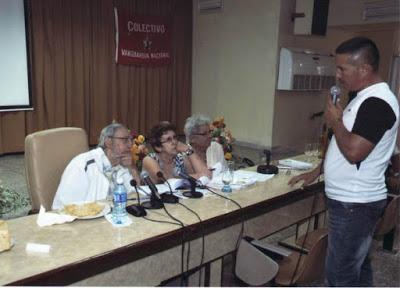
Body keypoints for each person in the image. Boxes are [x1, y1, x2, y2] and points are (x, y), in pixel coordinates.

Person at [288, 37, 399, 286]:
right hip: (352, 201)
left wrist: (335, 120)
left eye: (342, 69)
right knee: (357, 268)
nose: (337, 75)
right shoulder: (362, 98)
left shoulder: (377, 103)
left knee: (340, 275)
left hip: (355, 203)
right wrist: (318, 170)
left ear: (364, 69)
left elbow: (353, 152)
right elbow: (344, 147)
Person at [52, 123, 140, 210]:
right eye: (125, 140)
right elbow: (66, 206)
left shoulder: (122, 164)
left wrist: (132, 168)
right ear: (108, 142)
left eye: (130, 140)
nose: (130, 145)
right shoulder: (83, 164)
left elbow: (137, 195)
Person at [142, 121, 211, 184]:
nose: (174, 142)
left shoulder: (180, 159)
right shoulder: (149, 160)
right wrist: (192, 177)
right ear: (158, 147)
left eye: (175, 137)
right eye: (169, 139)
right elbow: (166, 179)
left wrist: (189, 150)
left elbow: (206, 175)